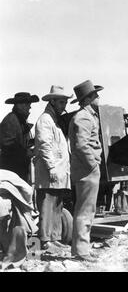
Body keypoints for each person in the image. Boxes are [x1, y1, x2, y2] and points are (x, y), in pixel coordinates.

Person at [68, 80, 103, 262]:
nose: (98, 97)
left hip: (85, 170)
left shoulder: (87, 116)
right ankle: (81, 251)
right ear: (88, 98)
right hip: (87, 171)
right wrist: (93, 165)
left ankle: (82, 248)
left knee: (86, 209)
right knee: (85, 210)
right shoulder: (84, 117)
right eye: (95, 95)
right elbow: (81, 146)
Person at [34, 86, 73, 250]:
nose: (64, 105)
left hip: (59, 171)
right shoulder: (45, 120)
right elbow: (44, 145)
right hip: (51, 172)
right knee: (47, 205)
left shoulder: (53, 119)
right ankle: (45, 240)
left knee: (57, 205)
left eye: (65, 102)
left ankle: (54, 237)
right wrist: (51, 168)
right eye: (62, 102)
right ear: (53, 101)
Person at [0, 92, 39, 181]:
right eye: (27, 104)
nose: (30, 107)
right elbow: (7, 145)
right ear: (19, 105)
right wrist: (26, 152)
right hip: (11, 172)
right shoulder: (11, 120)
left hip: (16, 171)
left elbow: (18, 143)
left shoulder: (18, 120)